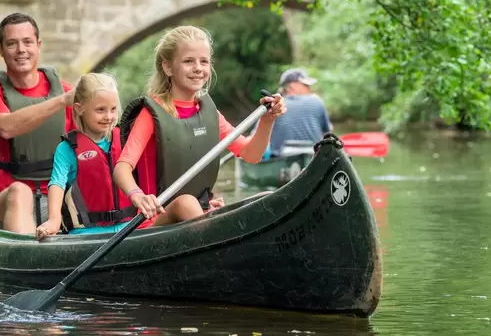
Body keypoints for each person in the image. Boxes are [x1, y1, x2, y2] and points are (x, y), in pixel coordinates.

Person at [113, 25, 286, 226]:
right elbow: (121, 169)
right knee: (186, 203)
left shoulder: (209, 112)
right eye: (188, 61)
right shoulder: (152, 113)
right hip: (155, 218)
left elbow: (251, 154)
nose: (198, 68)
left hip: (199, 212)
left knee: (265, 198)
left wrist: (267, 119)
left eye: (204, 62)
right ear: (168, 67)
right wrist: (138, 196)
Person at [0, 12, 75, 235]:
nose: (21, 50)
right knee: (20, 191)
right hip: (6, 201)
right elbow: (6, 127)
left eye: (27, 42)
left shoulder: (65, 92)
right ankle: (28, 256)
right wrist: (61, 102)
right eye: (12, 44)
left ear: (38, 45)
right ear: (1, 50)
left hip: (58, 202)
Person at [36, 72, 139, 240]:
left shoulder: (125, 138)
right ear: (79, 108)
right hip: (86, 233)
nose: (108, 117)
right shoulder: (67, 148)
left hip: (129, 228)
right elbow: (57, 183)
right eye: (100, 110)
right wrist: (54, 220)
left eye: (113, 109)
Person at [266, 68, 332, 157]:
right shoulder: (316, 101)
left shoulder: (273, 105)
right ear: (292, 85)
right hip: (312, 158)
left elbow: (255, 135)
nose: (309, 88)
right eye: (306, 85)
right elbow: (328, 132)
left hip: (279, 159)